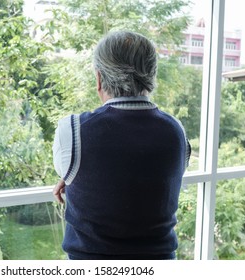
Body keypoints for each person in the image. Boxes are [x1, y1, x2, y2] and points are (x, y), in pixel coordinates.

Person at [52, 30, 191, 260]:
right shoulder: (176, 130)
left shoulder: (73, 130)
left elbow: (106, 168)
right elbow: (150, 175)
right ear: (152, 75)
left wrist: (72, 173)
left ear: (98, 78)